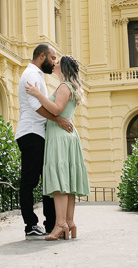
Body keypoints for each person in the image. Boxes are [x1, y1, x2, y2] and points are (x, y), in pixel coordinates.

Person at [25, 54, 89, 241]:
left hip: (59, 136)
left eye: (58, 62)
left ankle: (60, 224)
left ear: (64, 67)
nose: (54, 63)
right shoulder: (71, 86)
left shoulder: (64, 86)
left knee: (60, 182)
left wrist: (38, 95)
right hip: (68, 136)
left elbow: (56, 109)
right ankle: (69, 223)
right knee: (67, 181)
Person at [16, 44, 74, 238]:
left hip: (38, 133)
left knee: (48, 177)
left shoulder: (38, 75)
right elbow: (35, 106)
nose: (54, 61)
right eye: (52, 57)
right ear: (42, 56)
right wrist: (58, 120)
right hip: (31, 133)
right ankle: (31, 225)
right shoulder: (31, 75)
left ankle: (51, 224)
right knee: (29, 181)